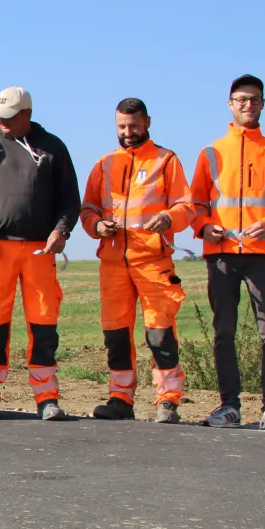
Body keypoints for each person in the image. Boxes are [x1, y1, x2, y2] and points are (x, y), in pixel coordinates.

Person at [190, 74, 265, 432]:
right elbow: (194, 203)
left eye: (254, 99)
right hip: (221, 255)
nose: (248, 105)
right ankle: (229, 406)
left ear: (263, 104)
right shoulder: (211, 152)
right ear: (230, 104)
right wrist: (205, 227)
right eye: (241, 99)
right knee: (224, 332)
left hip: (263, 254)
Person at [0, 86, 81, 422]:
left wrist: (62, 230)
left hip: (41, 249)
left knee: (43, 324)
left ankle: (46, 397)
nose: (3, 122)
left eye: (10, 117)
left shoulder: (53, 147)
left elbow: (70, 198)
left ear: (27, 114)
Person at [79, 98, 195, 423]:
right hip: (113, 262)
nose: (128, 132)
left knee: (160, 333)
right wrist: (97, 226)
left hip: (153, 262)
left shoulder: (166, 160)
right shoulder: (104, 164)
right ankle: (120, 399)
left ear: (147, 123)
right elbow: (87, 209)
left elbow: (187, 206)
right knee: (115, 334)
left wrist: (169, 218)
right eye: (122, 127)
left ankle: (167, 401)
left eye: (134, 126)